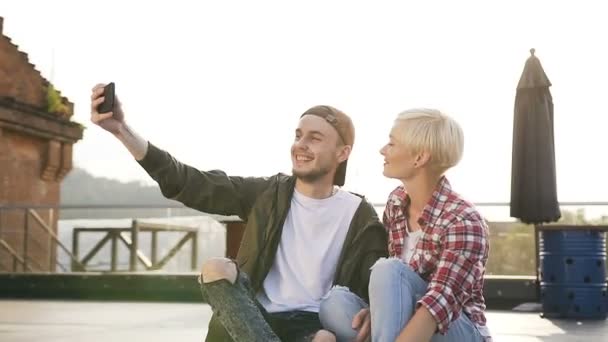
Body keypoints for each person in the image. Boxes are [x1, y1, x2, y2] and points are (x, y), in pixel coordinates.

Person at [89, 84, 388, 342]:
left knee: (325, 339)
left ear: (342, 153)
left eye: (315, 138)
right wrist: (121, 130)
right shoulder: (268, 194)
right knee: (216, 268)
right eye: (298, 135)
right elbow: (187, 182)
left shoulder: (359, 215)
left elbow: (373, 285)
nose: (301, 145)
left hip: (313, 325)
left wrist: (375, 310)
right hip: (252, 316)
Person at [318, 108, 492, 342]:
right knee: (334, 304)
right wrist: (378, 313)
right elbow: (395, 290)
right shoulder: (396, 202)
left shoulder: (464, 221)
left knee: (388, 269)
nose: (382, 150)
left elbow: (435, 309)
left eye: (392, 144)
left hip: (452, 329)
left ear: (419, 158)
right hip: (408, 324)